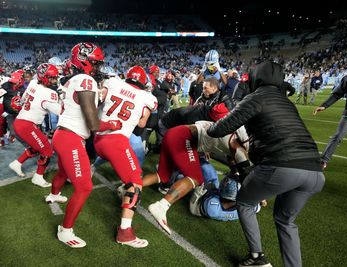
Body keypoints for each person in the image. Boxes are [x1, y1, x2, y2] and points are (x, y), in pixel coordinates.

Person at [207, 61, 325, 267]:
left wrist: (209, 125)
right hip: (315, 172)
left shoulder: (256, 98)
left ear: (256, 78)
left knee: (244, 202)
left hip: (281, 165)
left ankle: (256, 257)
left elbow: (218, 129)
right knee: (286, 221)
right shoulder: (286, 102)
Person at [45, 42, 122, 248]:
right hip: (70, 137)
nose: (97, 68)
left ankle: (53, 194)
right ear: (84, 61)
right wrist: (113, 124)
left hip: (63, 134)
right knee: (84, 186)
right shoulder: (85, 80)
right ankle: (65, 230)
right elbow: (94, 124)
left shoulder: (73, 80)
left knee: (63, 172)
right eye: (95, 63)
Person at [143, 120, 249, 235]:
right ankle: (161, 206)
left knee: (163, 176)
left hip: (174, 133)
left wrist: (236, 171)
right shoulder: (237, 142)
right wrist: (256, 195)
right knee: (195, 178)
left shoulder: (232, 129)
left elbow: (231, 158)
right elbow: (244, 168)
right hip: (183, 138)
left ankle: (130, 187)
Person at [94, 65, 157, 248]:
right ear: (144, 82)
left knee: (131, 175)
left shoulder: (113, 82)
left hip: (99, 137)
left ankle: (122, 187)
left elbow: (99, 100)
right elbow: (141, 124)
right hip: (116, 141)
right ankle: (125, 233)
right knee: (136, 183)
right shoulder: (148, 97)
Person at [8, 64, 61, 187]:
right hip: (27, 125)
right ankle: (38, 177)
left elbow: (23, 100)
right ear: (44, 77)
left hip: (21, 121)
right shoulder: (49, 94)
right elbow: (60, 111)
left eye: (55, 77)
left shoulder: (33, 83)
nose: (54, 80)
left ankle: (17, 163)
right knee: (47, 150)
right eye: (52, 78)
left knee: (37, 147)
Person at [189, 173, 261, 221]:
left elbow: (194, 209)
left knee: (209, 175)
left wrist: (196, 196)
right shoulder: (247, 209)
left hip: (205, 200)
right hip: (226, 200)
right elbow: (257, 207)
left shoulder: (212, 205)